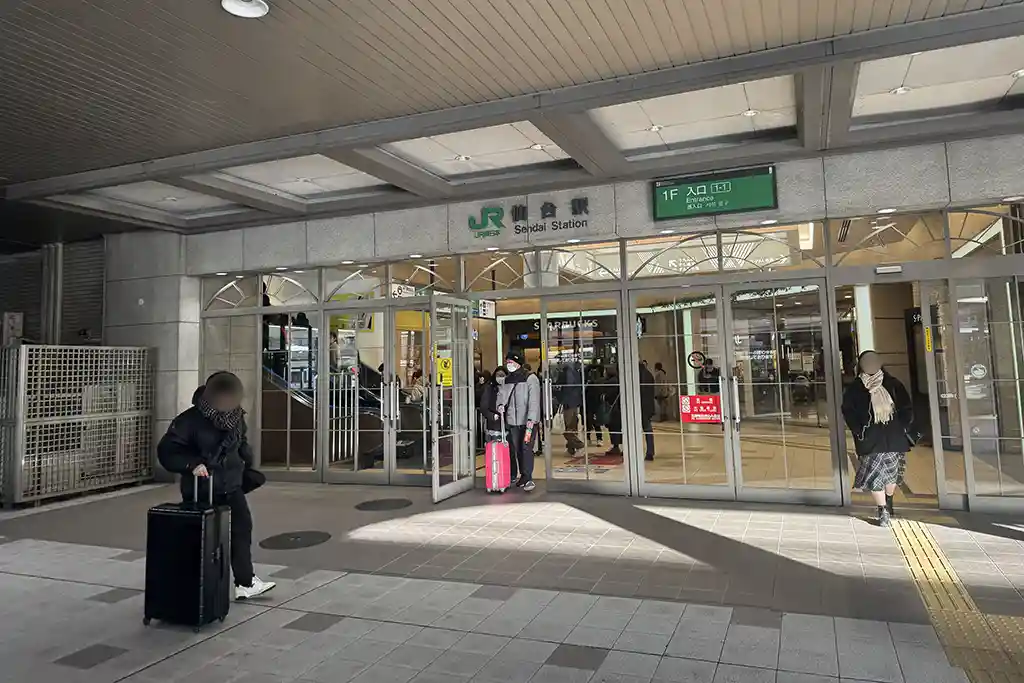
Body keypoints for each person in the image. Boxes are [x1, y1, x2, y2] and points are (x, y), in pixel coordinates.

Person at [157, 371, 275, 600]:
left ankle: (246, 582)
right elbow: (167, 451)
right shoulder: (189, 420)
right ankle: (194, 586)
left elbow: (241, 443)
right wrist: (191, 464)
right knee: (202, 540)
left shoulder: (236, 416)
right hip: (201, 489)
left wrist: (246, 464)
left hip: (231, 486)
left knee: (241, 530)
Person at [842, 350, 914, 528]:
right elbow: (848, 412)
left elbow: (906, 407)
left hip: (893, 437)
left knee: (891, 477)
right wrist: (860, 431)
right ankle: (882, 510)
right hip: (870, 440)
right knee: (875, 477)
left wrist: (903, 427)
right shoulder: (855, 388)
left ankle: (888, 500)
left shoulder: (892, 384)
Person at [497, 350, 541, 492]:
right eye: (507, 362)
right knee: (517, 449)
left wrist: (531, 419)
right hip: (513, 422)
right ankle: (523, 476)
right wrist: (500, 406)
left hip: (528, 422)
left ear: (518, 363)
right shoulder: (507, 380)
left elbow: (534, 401)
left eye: (511, 362)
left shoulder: (530, 378)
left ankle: (528, 478)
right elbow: (502, 396)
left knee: (526, 448)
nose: (508, 364)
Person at [555, 359, 585, 455]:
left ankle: (578, 445)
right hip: (575, 403)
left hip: (568, 403)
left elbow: (562, 387)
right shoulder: (576, 373)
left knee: (567, 428)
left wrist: (560, 399)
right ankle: (571, 448)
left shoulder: (565, 374)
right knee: (572, 426)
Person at [638, 361, 657, 461]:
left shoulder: (639, 375)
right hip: (648, 406)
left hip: (640, 406)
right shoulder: (649, 374)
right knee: (648, 429)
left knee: (636, 430)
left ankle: (635, 451)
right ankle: (650, 451)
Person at [585, 364, 606, 447]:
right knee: (590, 422)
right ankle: (590, 438)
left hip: (595, 404)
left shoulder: (599, 381)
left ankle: (598, 438)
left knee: (595, 423)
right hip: (591, 403)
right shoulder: (589, 382)